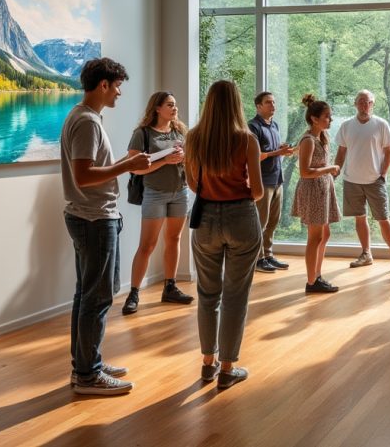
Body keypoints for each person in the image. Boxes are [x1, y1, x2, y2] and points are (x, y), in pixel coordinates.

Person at [61, 57, 150, 395]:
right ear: (103, 85)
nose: (119, 94)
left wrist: (126, 164)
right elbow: (84, 176)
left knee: (87, 296)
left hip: (90, 216)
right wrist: (127, 164)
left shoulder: (81, 117)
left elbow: (90, 170)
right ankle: (87, 374)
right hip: (94, 218)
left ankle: (86, 363)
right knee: (96, 298)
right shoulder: (87, 122)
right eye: (117, 86)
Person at [185, 80, 264, 390]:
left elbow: (193, 184)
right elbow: (257, 191)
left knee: (207, 294)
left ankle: (208, 363)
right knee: (235, 295)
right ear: (236, 103)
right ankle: (228, 368)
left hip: (204, 219)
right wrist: (238, 189)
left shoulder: (193, 139)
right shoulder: (247, 140)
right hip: (241, 217)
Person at [122, 91, 192, 315]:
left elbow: (190, 158)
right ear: (157, 109)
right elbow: (133, 166)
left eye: (175, 105)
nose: (175, 108)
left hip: (180, 192)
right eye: (170, 105)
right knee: (148, 245)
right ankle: (133, 293)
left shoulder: (180, 131)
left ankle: (169, 287)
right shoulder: (142, 134)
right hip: (154, 193)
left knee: (174, 239)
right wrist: (165, 162)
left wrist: (184, 158)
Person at [335, 90, 390, 268]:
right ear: (355, 104)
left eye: (369, 102)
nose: (365, 105)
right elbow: (341, 151)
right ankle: (366, 253)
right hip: (351, 180)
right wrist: (336, 170)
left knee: (383, 218)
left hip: (374, 180)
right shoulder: (346, 125)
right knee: (359, 218)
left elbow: (388, 152)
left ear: (373, 105)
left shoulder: (381, 124)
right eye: (361, 102)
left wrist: (383, 174)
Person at [292, 94, 342, 293]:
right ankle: (312, 281)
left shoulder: (322, 137)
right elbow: (304, 172)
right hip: (313, 190)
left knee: (324, 234)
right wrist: (329, 169)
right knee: (315, 237)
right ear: (314, 118)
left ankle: (317, 275)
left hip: (322, 189)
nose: (330, 119)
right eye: (327, 116)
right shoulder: (309, 140)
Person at [248, 91, 294, 274]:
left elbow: (271, 150)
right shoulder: (252, 127)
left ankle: (268, 255)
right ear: (258, 106)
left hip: (277, 179)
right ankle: (258, 259)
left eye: (274, 102)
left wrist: (281, 148)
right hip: (262, 181)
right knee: (261, 222)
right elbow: (254, 156)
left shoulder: (274, 125)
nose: (273, 106)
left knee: (273, 221)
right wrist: (277, 153)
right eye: (268, 103)